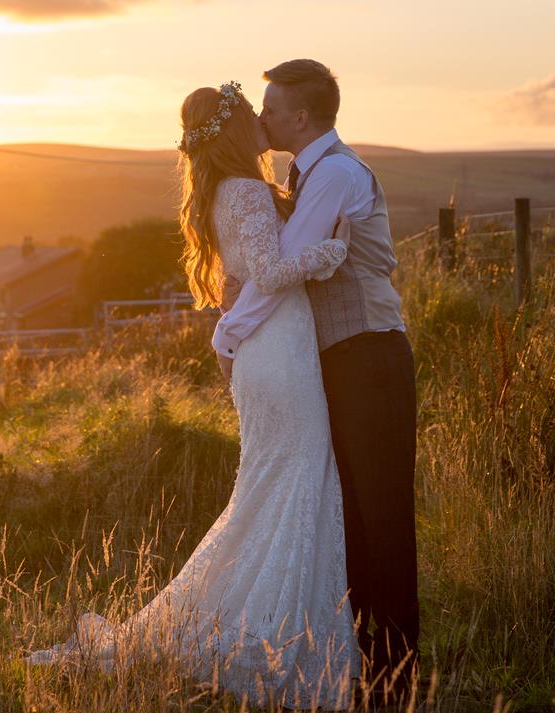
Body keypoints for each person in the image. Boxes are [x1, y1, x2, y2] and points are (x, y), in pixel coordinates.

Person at [25, 80, 357, 710]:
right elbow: (268, 274)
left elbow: (243, 276)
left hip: (267, 353)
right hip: (279, 352)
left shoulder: (227, 193)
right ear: (233, 132)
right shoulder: (247, 191)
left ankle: (265, 621)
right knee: (294, 475)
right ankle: (266, 632)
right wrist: (333, 249)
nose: (263, 121)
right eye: (250, 115)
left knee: (274, 483)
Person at [216, 59, 419, 706]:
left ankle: (397, 683)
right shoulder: (310, 172)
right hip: (340, 360)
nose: (262, 118)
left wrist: (228, 332)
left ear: (301, 117)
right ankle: (367, 670)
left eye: (271, 108)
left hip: (370, 357)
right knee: (351, 522)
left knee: (381, 523)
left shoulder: (332, 174)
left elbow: (277, 273)